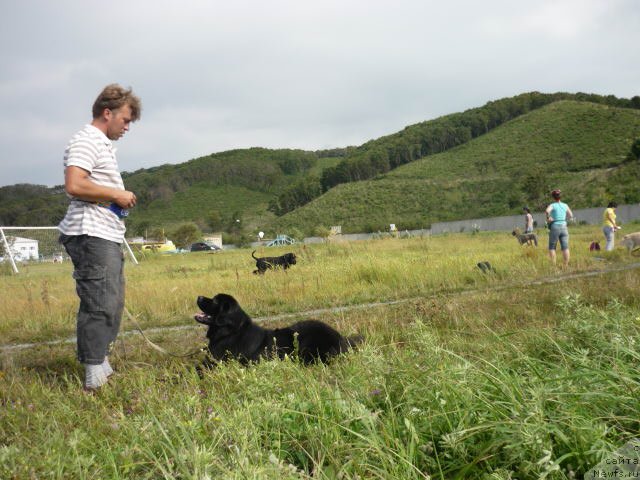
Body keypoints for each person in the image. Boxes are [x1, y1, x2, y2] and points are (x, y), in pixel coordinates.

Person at [58, 84, 141, 391]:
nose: (127, 126)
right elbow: (74, 184)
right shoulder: (86, 140)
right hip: (89, 233)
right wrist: (116, 194)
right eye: (125, 119)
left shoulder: (101, 145)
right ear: (108, 113)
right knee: (100, 302)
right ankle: (93, 372)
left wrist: (116, 200)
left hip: (104, 232)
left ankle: (101, 360)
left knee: (113, 299)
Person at [545, 189, 573, 267]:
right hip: (564, 226)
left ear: (553, 197)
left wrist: (549, 217)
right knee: (565, 247)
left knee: (552, 247)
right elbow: (570, 215)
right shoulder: (565, 205)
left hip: (555, 226)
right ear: (560, 196)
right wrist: (564, 219)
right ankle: (566, 265)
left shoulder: (552, 205)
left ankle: (554, 266)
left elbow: (547, 211)